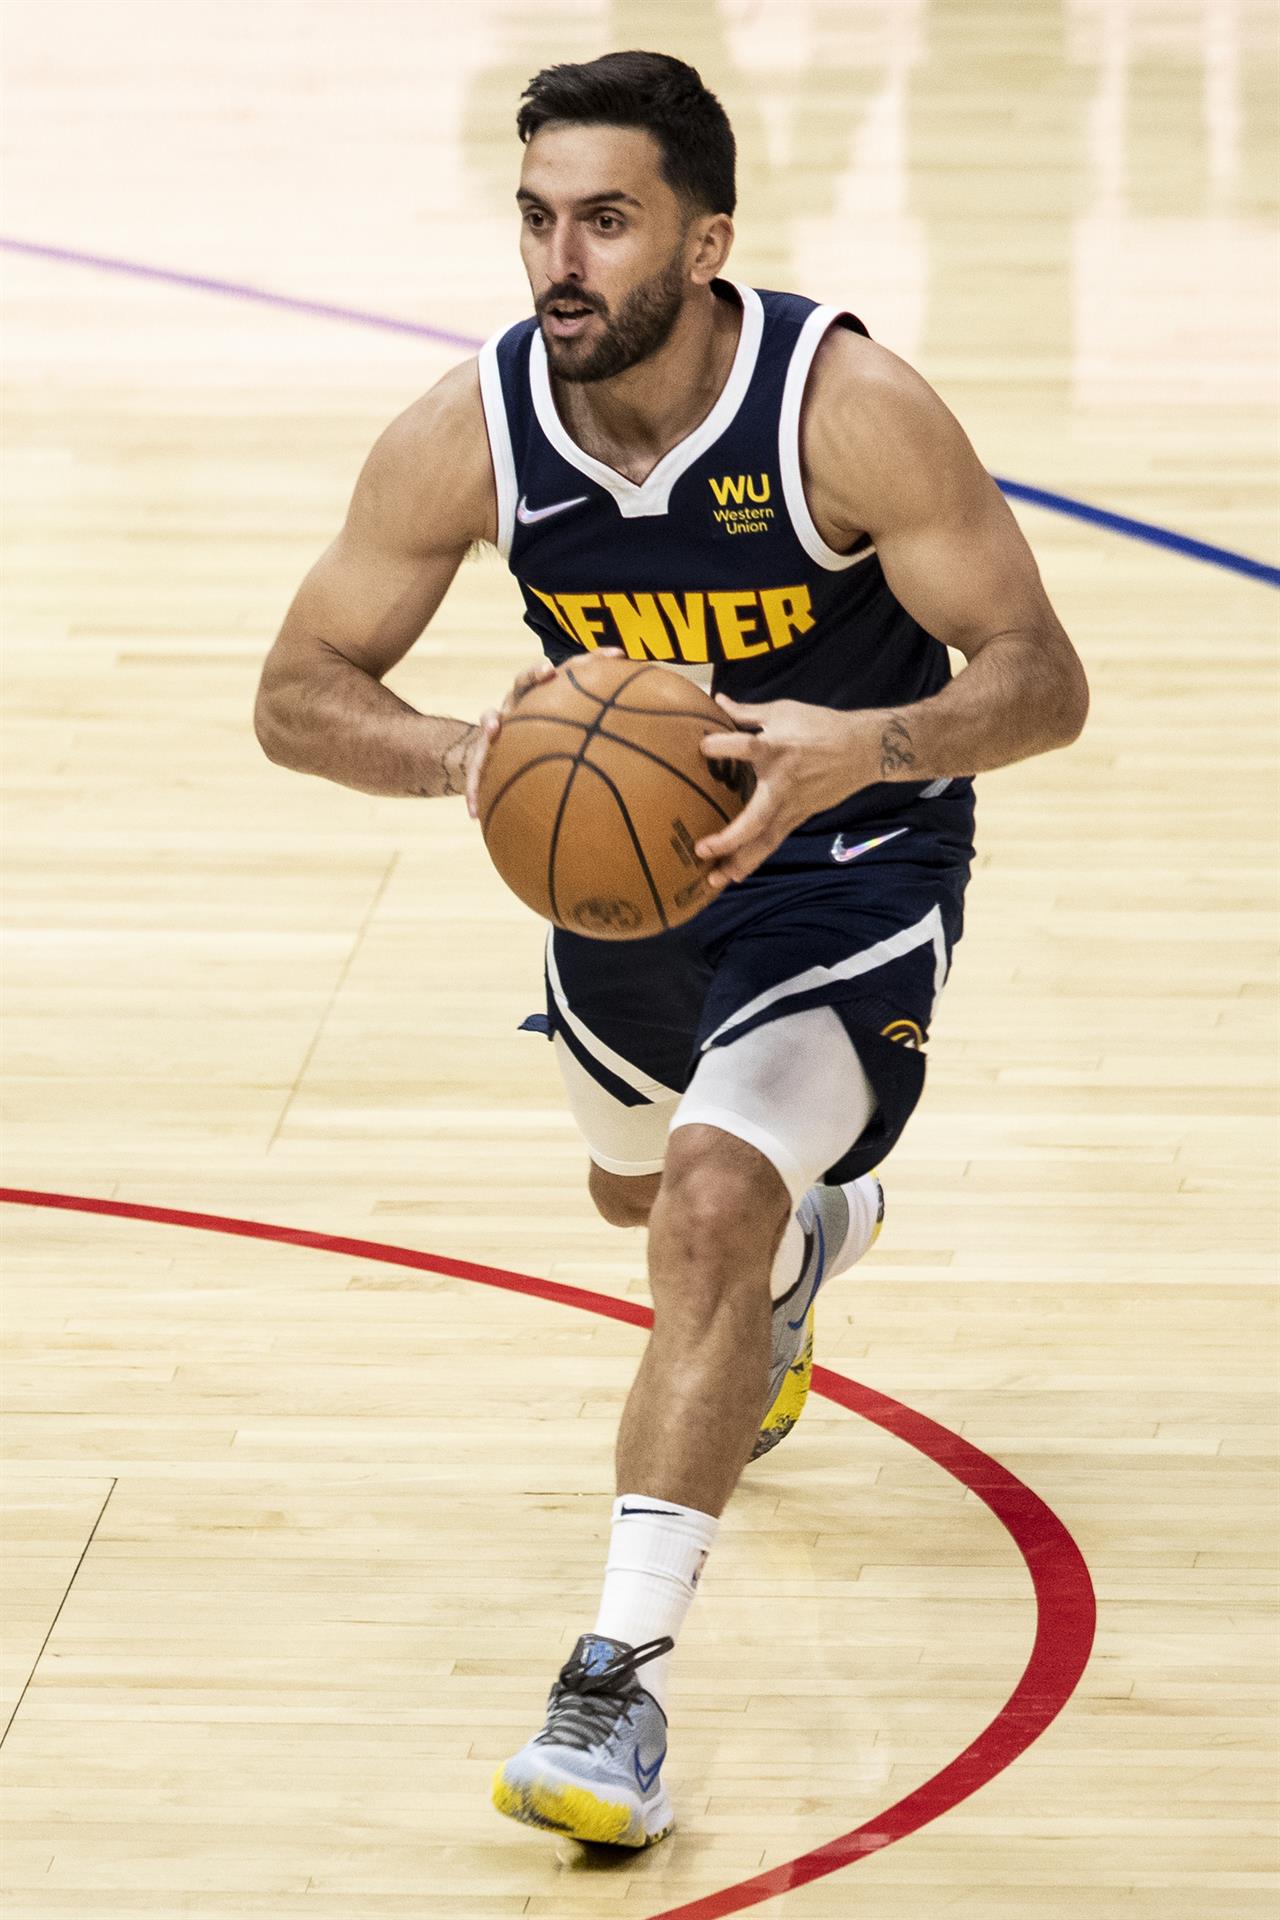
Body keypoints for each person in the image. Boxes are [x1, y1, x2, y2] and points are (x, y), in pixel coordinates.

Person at [254, 50, 1088, 1852]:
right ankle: (812, 1247)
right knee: (643, 1206)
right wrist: (478, 759)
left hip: (850, 856)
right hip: (623, 881)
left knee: (708, 1198)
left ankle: (610, 1691)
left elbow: (1040, 678)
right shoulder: (472, 427)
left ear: (706, 241)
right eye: (541, 218)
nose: (564, 260)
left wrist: (861, 746)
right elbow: (296, 696)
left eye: (609, 221)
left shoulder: (843, 407)